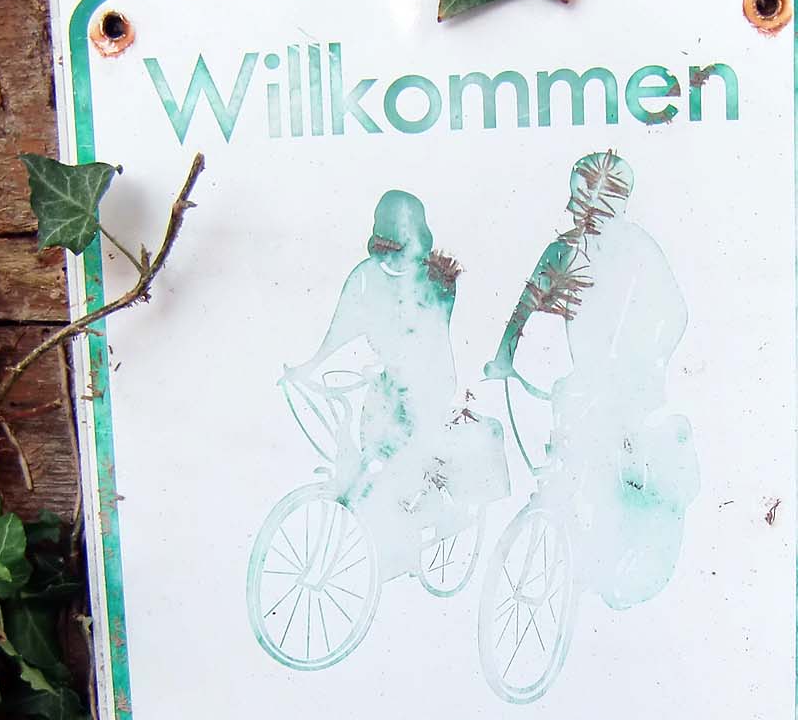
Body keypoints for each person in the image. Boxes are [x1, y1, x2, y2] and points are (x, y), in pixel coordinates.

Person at [485, 154, 699, 609]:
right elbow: (528, 302)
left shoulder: (640, 249)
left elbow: (675, 313)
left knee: (614, 475)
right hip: (583, 384)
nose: (580, 209)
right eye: (577, 198)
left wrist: (646, 361)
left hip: (632, 388)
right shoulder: (564, 250)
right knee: (566, 463)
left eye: (591, 199)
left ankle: (618, 558)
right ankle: (574, 544)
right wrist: (504, 355)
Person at [288, 191, 501, 577]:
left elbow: (431, 336)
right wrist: (309, 367)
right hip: (387, 384)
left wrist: (403, 367)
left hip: (429, 383)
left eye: (402, 247)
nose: (392, 260)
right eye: (386, 248)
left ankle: (432, 515)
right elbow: (340, 327)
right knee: (369, 458)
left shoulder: (435, 282)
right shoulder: (365, 276)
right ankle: (395, 536)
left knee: (398, 461)